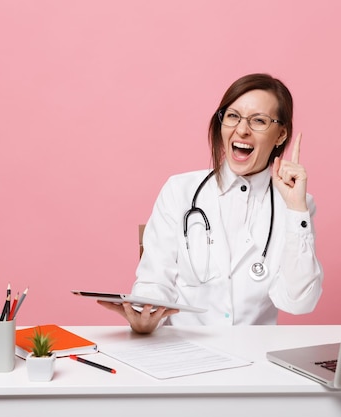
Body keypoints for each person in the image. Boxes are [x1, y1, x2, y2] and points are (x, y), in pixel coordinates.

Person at [100, 73, 323, 333]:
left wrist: (297, 211)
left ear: (281, 135)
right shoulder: (179, 190)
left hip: (254, 358)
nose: (242, 130)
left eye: (259, 121)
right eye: (232, 116)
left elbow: (300, 302)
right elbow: (155, 281)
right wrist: (144, 316)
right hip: (184, 353)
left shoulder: (295, 206)